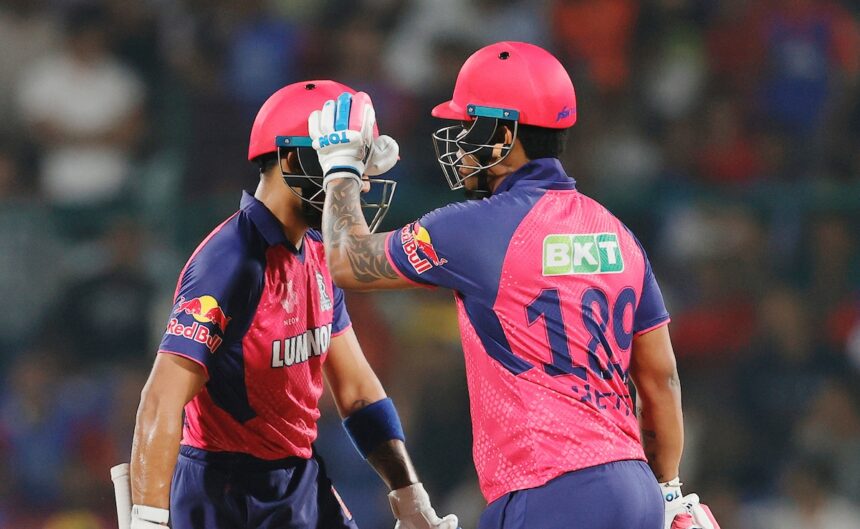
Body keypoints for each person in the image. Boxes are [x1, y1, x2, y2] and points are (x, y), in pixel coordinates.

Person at [309, 42, 721, 529]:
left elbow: (346, 260)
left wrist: (341, 171)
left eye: (469, 127)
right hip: (636, 490)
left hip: (549, 488)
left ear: (504, 135)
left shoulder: (476, 226)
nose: (460, 144)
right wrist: (667, 489)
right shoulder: (616, 233)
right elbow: (660, 379)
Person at [129, 80, 457, 529]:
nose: (358, 186)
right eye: (341, 165)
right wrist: (148, 520)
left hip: (298, 478)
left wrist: (409, 495)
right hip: (225, 496)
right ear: (290, 160)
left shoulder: (320, 252)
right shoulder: (229, 263)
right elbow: (161, 399)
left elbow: (358, 393)